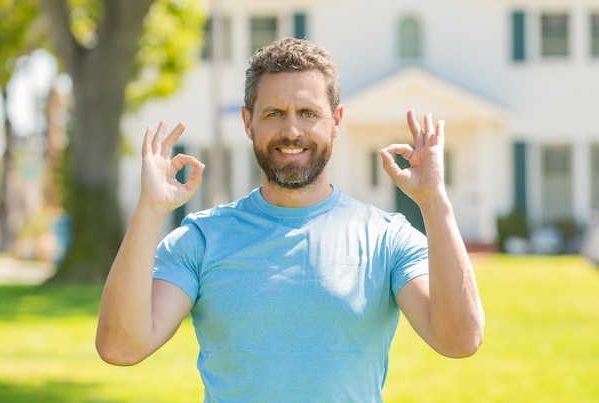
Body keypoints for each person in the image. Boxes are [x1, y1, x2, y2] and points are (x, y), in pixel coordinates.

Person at [96, 37, 485, 401]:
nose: (292, 130)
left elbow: (459, 340)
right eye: (274, 113)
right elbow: (120, 346)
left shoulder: (386, 238)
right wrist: (150, 211)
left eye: (308, 113)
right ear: (248, 122)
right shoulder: (202, 238)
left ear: (336, 120)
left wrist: (435, 203)